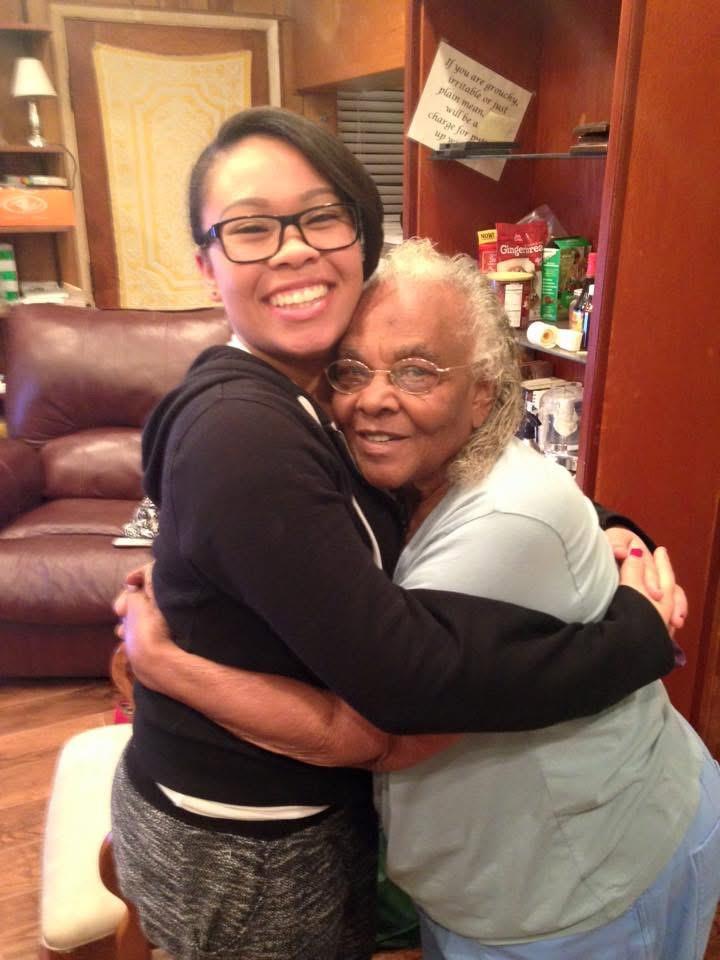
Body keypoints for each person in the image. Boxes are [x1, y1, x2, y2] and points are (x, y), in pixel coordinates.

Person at [110, 106, 680, 960]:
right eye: (251, 228)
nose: (294, 247)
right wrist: (637, 638)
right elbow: (404, 685)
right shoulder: (248, 432)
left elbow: (432, 467)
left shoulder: (308, 396)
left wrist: (607, 525)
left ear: (359, 237)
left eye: (320, 216)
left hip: (283, 823)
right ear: (206, 264)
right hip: (250, 846)